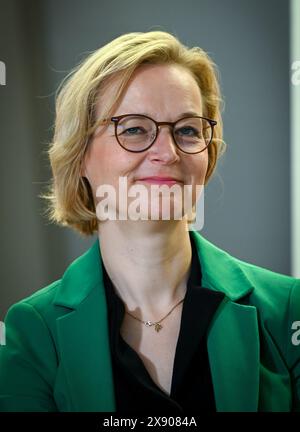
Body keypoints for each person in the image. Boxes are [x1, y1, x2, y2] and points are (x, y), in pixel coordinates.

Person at [0, 31, 299, 413]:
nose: (167, 151)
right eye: (135, 129)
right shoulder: (32, 330)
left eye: (188, 129)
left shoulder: (289, 310)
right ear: (81, 156)